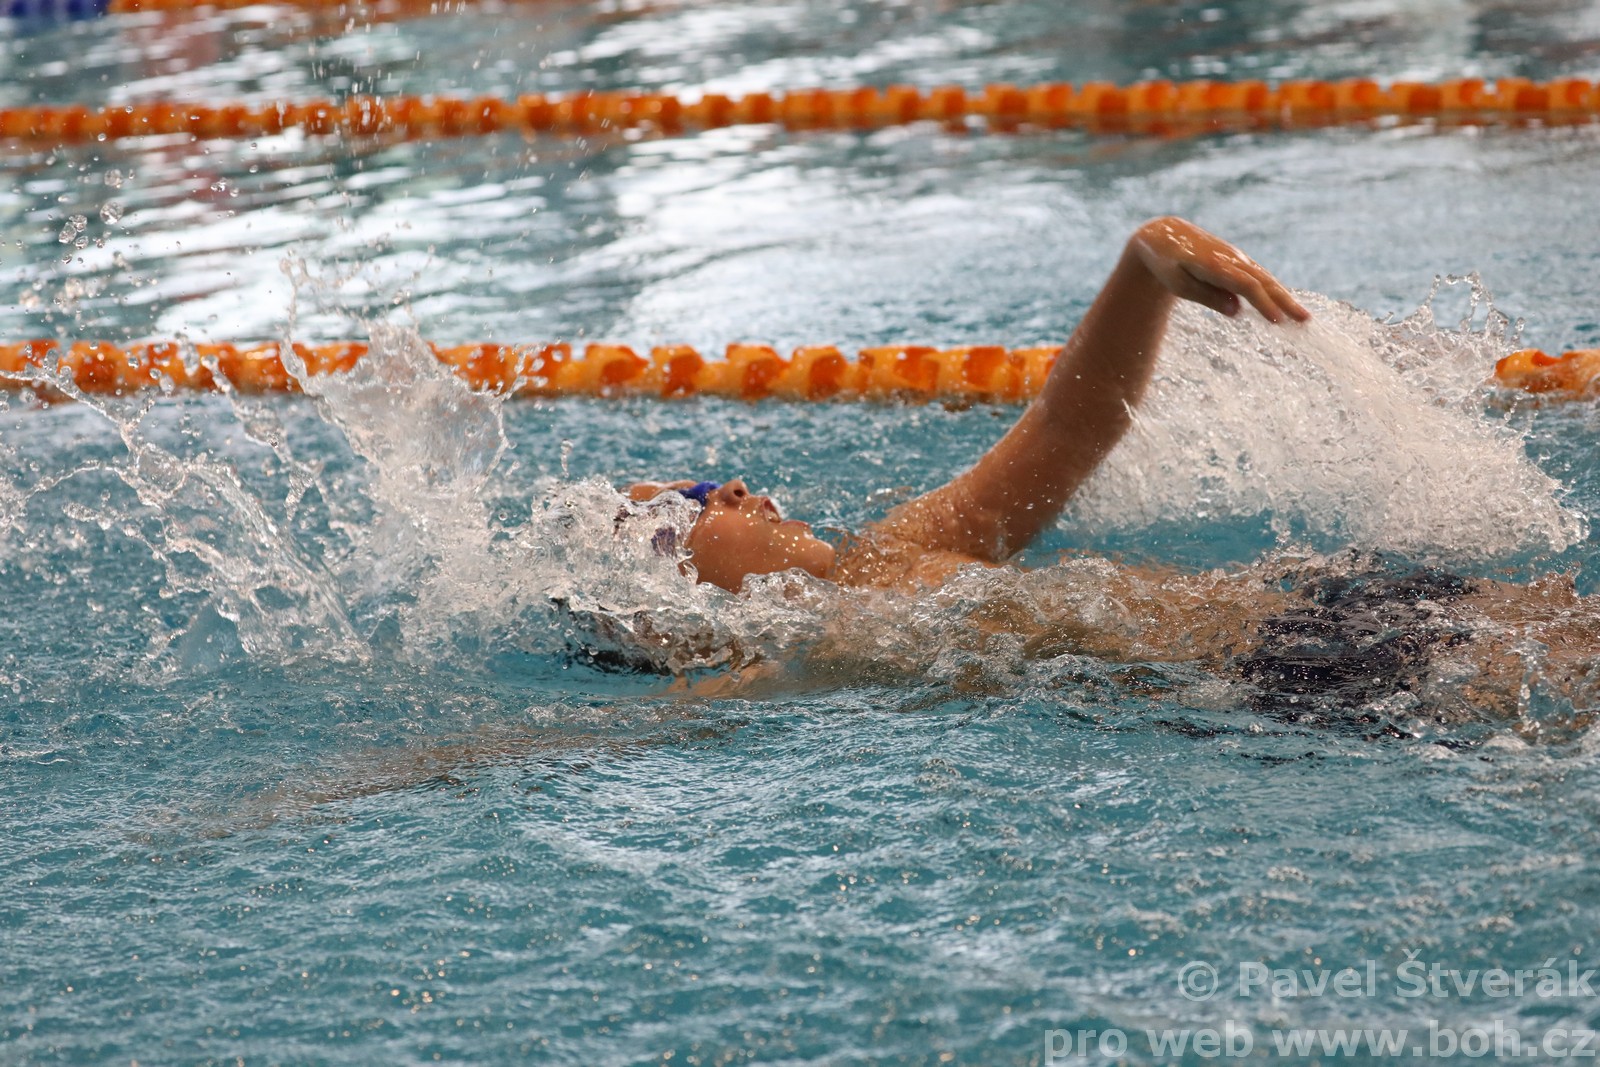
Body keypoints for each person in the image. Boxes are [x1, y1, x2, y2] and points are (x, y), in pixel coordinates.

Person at [614, 216, 1600, 727]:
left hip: (1318, 616)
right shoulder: (774, 664)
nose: (725, 486)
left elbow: (1070, 424)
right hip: (1289, 678)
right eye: (686, 508)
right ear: (669, 610)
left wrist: (1143, 263)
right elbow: (597, 742)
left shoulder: (895, 550)